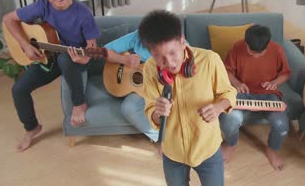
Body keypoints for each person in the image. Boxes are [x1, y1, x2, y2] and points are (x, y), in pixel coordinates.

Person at [3, 0, 100, 152]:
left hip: (75, 59)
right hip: (48, 57)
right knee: (19, 89)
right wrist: (25, 45)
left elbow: (92, 49)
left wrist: (84, 59)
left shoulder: (83, 13)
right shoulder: (42, 6)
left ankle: (80, 104)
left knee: (65, 59)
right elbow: (8, 19)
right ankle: (32, 128)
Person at [138, 10, 237, 186]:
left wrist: (219, 107)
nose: (169, 63)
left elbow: (228, 93)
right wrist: (158, 113)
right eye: (159, 58)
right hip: (173, 152)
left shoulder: (210, 60)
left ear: (182, 42)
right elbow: (150, 112)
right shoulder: (149, 69)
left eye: (172, 53)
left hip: (208, 148)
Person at [220, 24, 291, 171]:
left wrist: (274, 83)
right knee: (229, 119)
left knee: (282, 124)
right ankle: (231, 144)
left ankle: (271, 150)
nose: (256, 56)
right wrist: (237, 83)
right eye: (251, 52)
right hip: (243, 92)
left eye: (261, 53)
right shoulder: (237, 47)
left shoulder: (277, 50)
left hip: (268, 93)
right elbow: (226, 71)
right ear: (246, 43)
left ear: (268, 45)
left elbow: (285, 73)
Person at [104, 30, 159, 142]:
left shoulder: (177, 43)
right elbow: (104, 51)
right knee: (128, 107)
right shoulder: (137, 36)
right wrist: (124, 59)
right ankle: (160, 138)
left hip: (164, 89)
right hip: (142, 88)